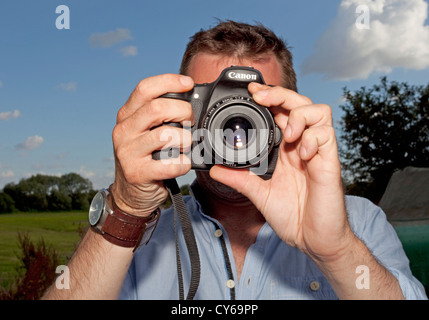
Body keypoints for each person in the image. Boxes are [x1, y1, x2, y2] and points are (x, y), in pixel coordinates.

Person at [42, 20, 427, 300]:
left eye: (253, 106)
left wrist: (337, 250)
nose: (233, 129)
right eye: (214, 104)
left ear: (290, 116)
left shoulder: (356, 223)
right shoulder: (142, 239)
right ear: (178, 114)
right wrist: (126, 209)